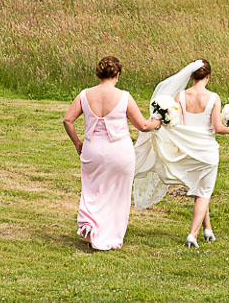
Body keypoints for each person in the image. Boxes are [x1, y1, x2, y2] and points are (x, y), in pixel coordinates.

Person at [133, 59, 229, 247]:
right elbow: (216, 127)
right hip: (207, 152)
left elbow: (176, 123)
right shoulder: (214, 98)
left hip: (187, 151)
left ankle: (208, 229)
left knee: (200, 188)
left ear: (191, 76)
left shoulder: (180, 96)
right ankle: (193, 234)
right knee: (204, 192)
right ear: (208, 77)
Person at [63, 56, 161, 251]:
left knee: (93, 189)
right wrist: (156, 123)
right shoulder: (123, 96)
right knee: (118, 193)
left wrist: (77, 143)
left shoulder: (85, 95)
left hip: (93, 149)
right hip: (119, 150)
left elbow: (68, 120)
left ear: (99, 73)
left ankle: (90, 224)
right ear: (117, 74)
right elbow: (142, 125)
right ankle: (109, 234)